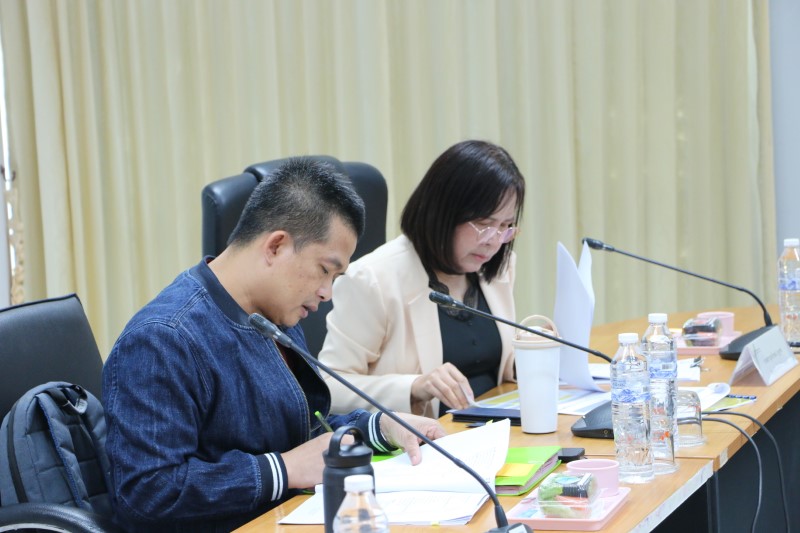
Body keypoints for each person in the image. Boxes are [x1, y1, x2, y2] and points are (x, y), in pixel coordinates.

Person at [102, 159, 445, 532]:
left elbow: (301, 434)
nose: (327, 292)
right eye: (325, 270)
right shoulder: (163, 339)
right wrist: (284, 469)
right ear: (276, 246)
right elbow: (147, 495)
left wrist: (381, 426)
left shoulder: (274, 314)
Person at [318, 140, 526, 418]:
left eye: (505, 226)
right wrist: (414, 387)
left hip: (497, 428)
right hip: (424, 438)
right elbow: (329, 387)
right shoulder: (372, 280)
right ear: (442, 212)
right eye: (484, 224)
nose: (494, 242)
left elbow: (498, 366)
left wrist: (531, 352)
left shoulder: (499, 267)